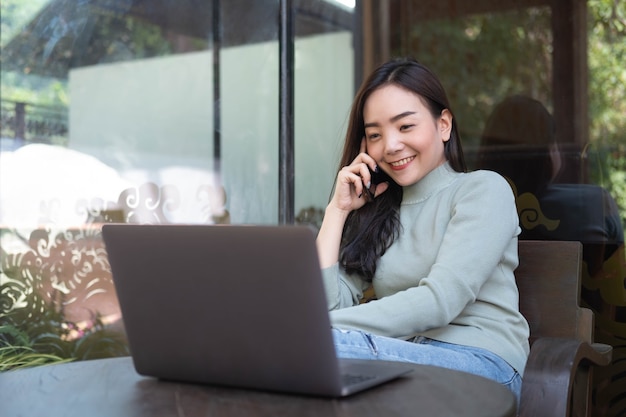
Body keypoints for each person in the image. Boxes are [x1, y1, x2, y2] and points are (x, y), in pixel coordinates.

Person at [315, 57, 530, 403]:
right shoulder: (382, 213)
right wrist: (336, 211)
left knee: (306, 349)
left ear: (443, 125)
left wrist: (323, 330)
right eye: (374, 135)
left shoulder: (483, 190)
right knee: (302, 351)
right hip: (400, 360)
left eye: (405, 126)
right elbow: (325, 307)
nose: (390, 146)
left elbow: (440, 302)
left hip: (481, 364)